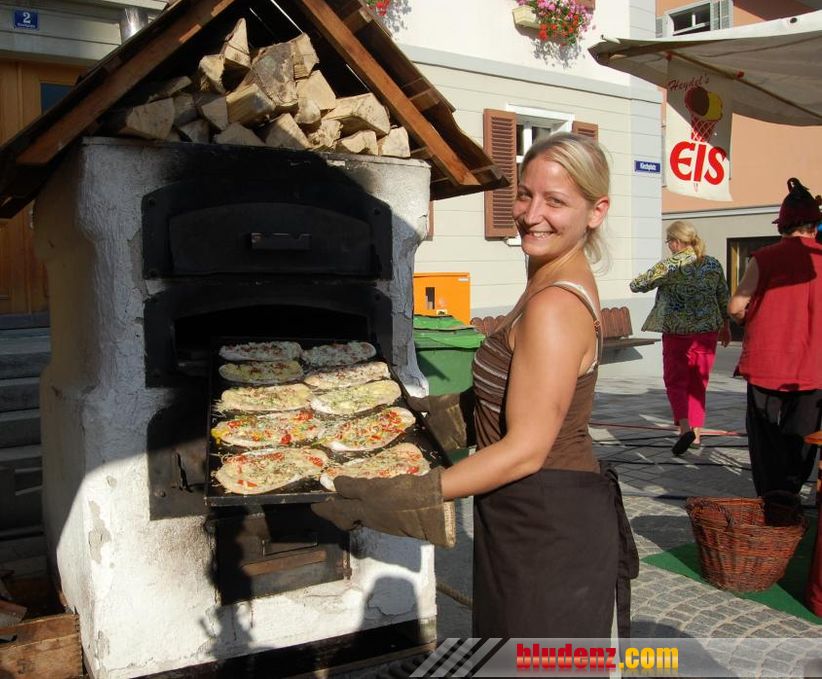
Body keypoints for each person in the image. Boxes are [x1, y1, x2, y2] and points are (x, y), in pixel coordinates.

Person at [313, 133, 638, 639]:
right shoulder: (547, 277)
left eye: (556, 201)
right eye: (525, 194)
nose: (532, 214)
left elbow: (525, 452)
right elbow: (513, 392)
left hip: (547, 524)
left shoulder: (555, 306)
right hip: (527, 513)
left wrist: (409, 495)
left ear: (596, 211)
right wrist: (433, 416)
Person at [729, 177, 822, 498]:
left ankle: (771, 496)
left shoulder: (764, 257)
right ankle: (791, 491)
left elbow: (736, 307)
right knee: (804, 435)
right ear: (814, 226)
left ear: (783, 226)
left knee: (765, 438)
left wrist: (750, 317)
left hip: (766, 361)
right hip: (813, 365)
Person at [629, 221, 731, 456]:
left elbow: (637, 285)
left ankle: (685, 427)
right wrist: (726, 326)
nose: (669, 246)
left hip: (677, 333)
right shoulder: (712, 263)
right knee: (698, 383)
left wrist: (650, 276)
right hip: (707, 333)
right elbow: (723, 297)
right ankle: (697, 433)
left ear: (676, 242)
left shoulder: (670, 265)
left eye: (669, 241)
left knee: (676, 381)